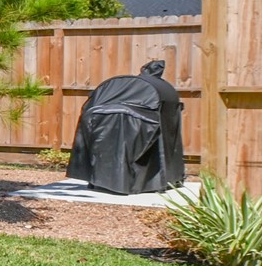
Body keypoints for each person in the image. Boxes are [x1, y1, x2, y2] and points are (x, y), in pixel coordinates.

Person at [68, 58, 185, 194]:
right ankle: (141, 183)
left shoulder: (116, 86)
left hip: (103, 126)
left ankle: (100, 181)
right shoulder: (156, 88)